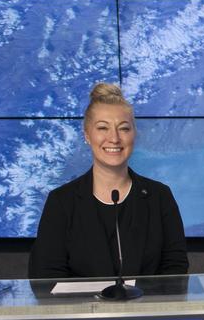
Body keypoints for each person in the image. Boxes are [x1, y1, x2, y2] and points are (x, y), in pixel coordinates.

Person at [28, 83, 188, 279]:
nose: (114, 138)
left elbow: (175, 270)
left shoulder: (159, 197)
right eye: (103, 128)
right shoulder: (61, 202)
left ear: (134, 135)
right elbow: (45, 276)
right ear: (87, 135)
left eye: (124, 129)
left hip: (148, 309)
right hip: (81, 309)